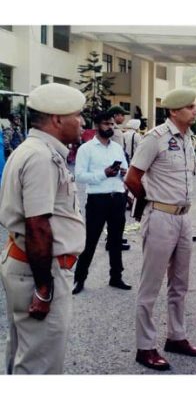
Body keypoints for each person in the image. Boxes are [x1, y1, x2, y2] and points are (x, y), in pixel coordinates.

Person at [0, 83, 86, 374]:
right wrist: (44, 288)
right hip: (40, 268)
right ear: (57, 119)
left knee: (23, 353)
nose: (82, 122)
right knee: (40, 365)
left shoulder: (34, 149)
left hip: (26, 264)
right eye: (78, 115)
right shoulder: (41, 157)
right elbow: (37, 226)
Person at [124, 88, 196, 371]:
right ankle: (145, 347)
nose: (195, 111)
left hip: (183, 217)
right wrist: (148, 202)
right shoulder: (155, 138)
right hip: (159, 216)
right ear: (173, 111)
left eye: (195, 106)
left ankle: (176, 336)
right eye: (190, 107)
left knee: (179, 284)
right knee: (151, 286)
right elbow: (132, 177)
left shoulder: (187, 139)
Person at [72, 111, 131, 295]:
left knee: (115, 240)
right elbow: (79, 176)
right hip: (98, 200)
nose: (110, 127)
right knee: (90, 240)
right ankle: (79, 279)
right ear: (97, 125)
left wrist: (122, 172)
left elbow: (127, 170)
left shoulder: (117, 148)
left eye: (112, 124)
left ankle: (116, 277)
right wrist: (103, 174)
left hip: (117, 198)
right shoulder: (86, 149)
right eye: (106, 124)